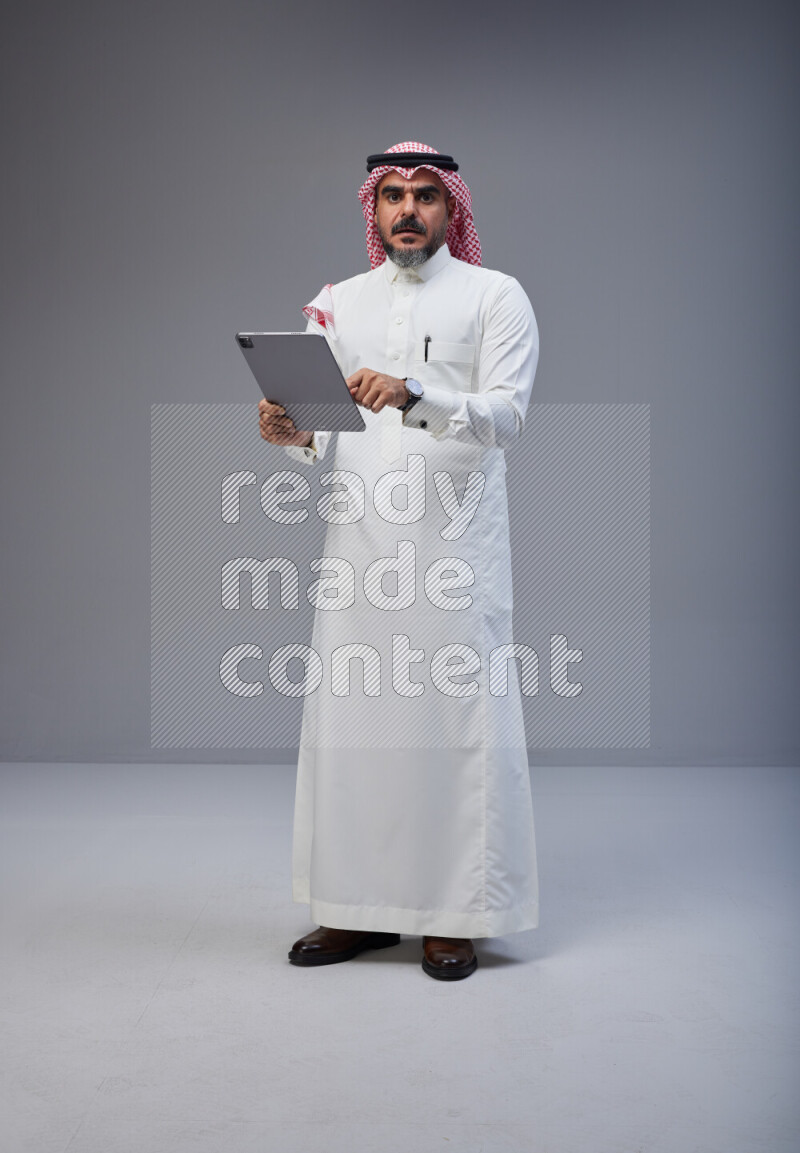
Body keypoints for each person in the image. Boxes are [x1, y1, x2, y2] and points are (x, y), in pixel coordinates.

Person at [258, 141, 540, 981]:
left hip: (454, 544)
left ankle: (452, 916)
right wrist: (293, 433)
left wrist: (419, 394)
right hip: (360, 542)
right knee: (356, 727)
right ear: (372, 211)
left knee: (452, 726)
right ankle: (353, 910)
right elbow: (317, 423)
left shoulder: (497, 295)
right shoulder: (338, 303)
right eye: (393, 196)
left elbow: (508, 414)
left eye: (425, 195)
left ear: (452, 210)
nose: (408, 209)